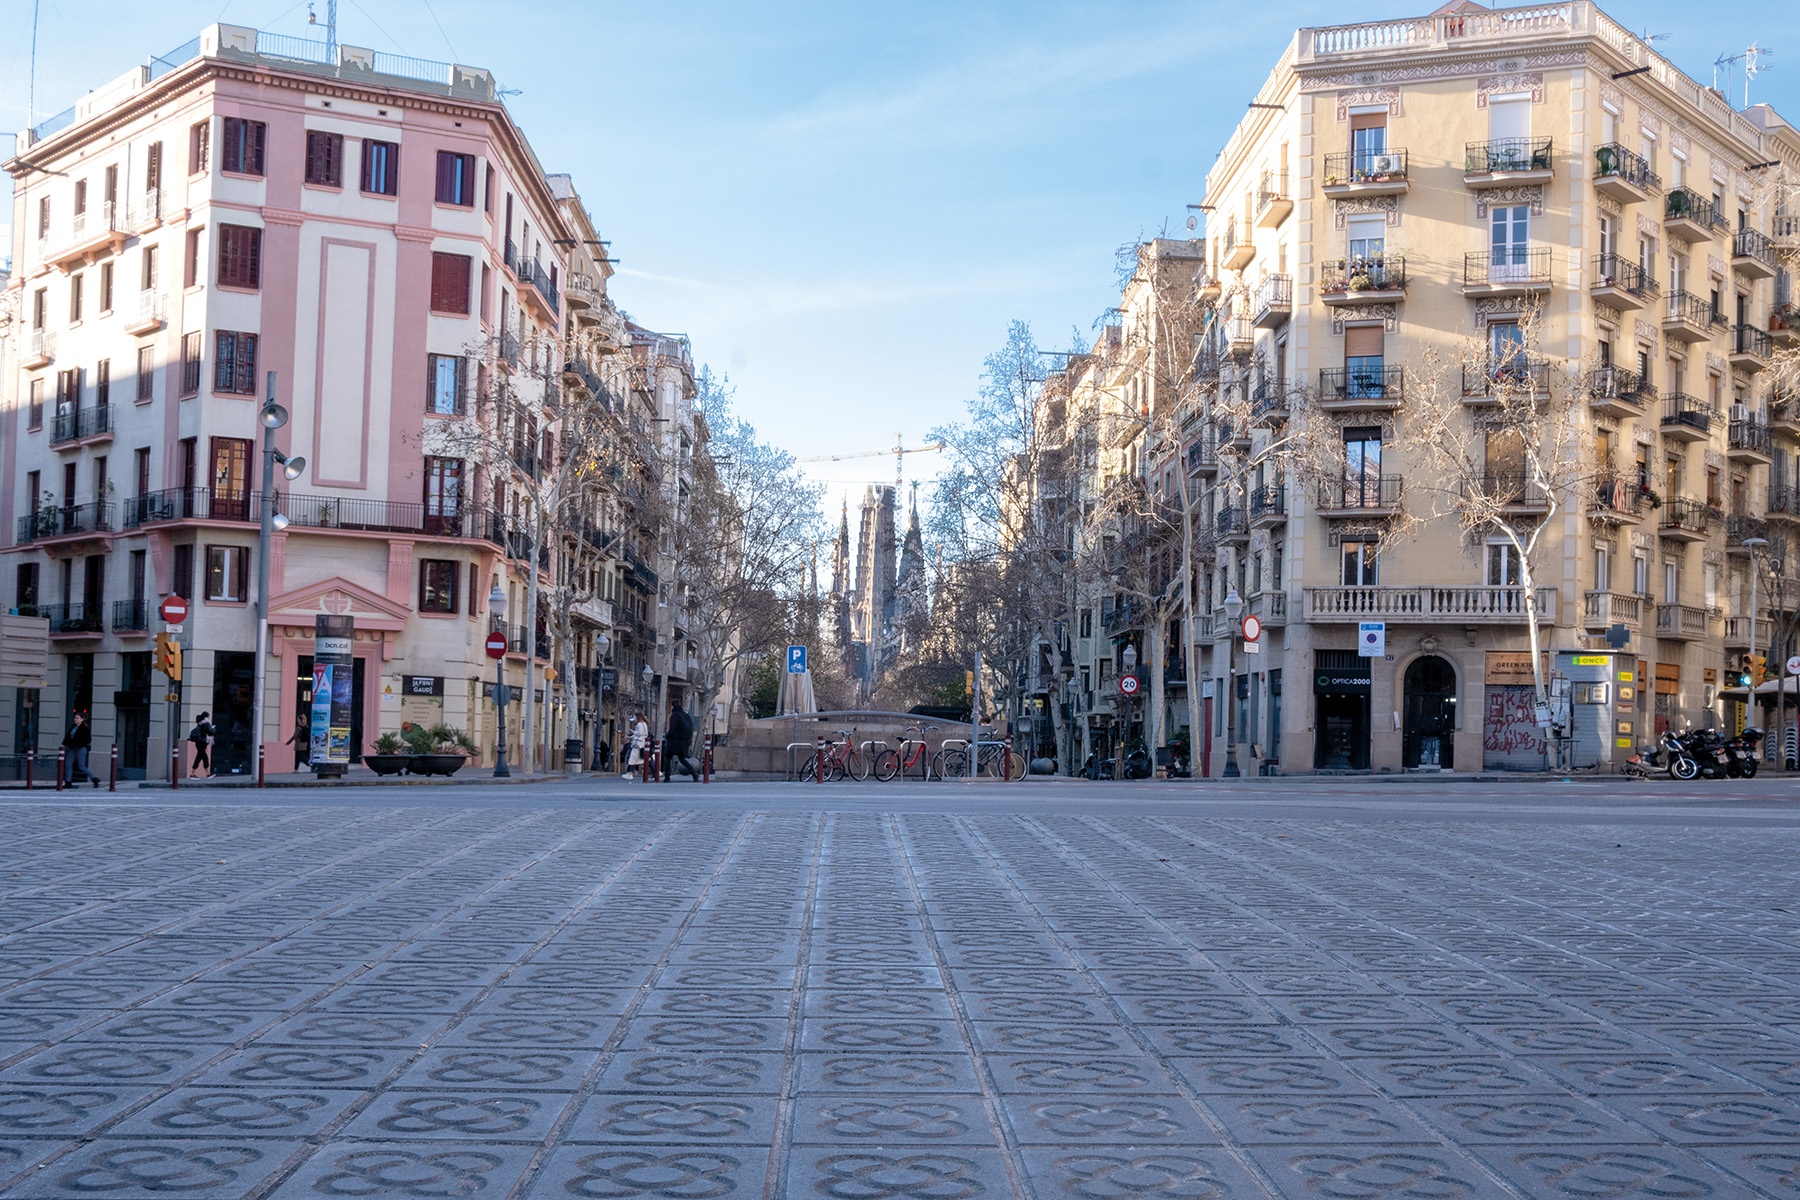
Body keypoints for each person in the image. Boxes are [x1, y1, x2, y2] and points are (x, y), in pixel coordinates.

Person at [61, 711, 97, 787]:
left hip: (80, 749)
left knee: (82, 766)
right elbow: (68, 738)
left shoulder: (84, 729)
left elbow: (88, 739)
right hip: (72, 749)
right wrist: (66, 746)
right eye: (75, 718)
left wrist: (79, 744)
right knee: (68, 764)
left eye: (77, 718)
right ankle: (68, 782)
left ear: (82, 719)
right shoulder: (73, 727)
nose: (75, 719)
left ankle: (94, 779)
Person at [663, 701, 697, 780]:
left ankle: (667, 777)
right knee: (682, 759)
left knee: (668, 758)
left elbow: (672, 729)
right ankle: (694, 773)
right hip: (683, 741)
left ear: (672, 707)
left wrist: (667, 736)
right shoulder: (686, 715)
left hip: (674, 741)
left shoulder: (674, 716)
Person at [621, 711, 648, 779]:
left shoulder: (639, 724)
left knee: (633, 758)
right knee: (644, 758)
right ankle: (656, 771)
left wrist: (633, 732)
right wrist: (631, 737)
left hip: (637, 744)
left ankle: (630, 774)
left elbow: (640, 733)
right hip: (641, 743)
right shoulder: (643, 724)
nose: (633, 722)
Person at [189, 711, 214, 777]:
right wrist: (213, 729)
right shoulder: (206, 723)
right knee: (202, 757)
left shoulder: (200, 723)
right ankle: (195, 773)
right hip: (202, 742)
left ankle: (206, 773)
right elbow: (210, 732)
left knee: (201, 757)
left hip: (198, 742)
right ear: (207, 716)